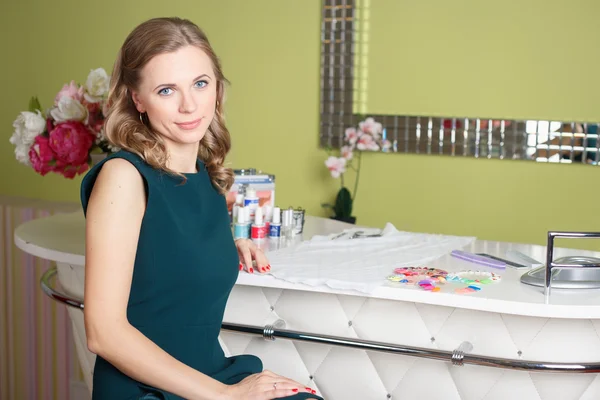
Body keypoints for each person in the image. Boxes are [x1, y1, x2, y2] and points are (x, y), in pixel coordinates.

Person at [80, 17, 322, 400]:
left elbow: (167, 253)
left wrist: (229, 246)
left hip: (209, 375)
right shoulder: (123, 177)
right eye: (166, 90)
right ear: (137, 99)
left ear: (217, 87)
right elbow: (103, 334)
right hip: (148, 389)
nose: (189, 104)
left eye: (200, 83)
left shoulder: (208, 178)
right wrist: (226, 396)